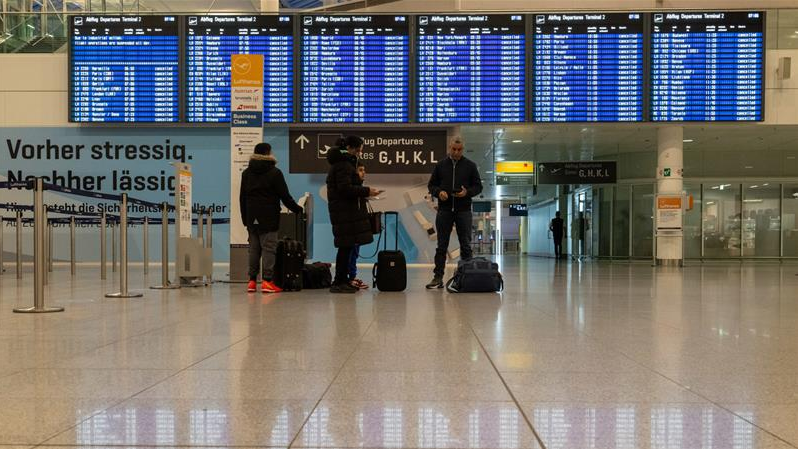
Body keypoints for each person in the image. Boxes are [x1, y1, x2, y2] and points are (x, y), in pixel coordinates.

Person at [239, 142, 303, 293]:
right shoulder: (275, 172)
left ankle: (252, 282)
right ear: (268, 153)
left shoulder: (246, 173)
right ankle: (267, 281)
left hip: (251, 217)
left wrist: (245, 218)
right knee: (269, 248)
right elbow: (284, 196)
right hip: (269, 216)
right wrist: (297, 209)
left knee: (254, 249)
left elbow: (242, 198)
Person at [425, 136, 483, 289]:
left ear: (463, 150)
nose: (456, 152)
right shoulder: (440, 165)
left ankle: (467, 276)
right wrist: (439, 192)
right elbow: (431, 185)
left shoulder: (470, 166)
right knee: (441, 246)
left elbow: (478, 187)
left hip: (463, 210)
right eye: (454, 149)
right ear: (449, 149)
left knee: (465, 245)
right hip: (444, 210)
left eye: (459, 150)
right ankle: (438, 277)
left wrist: (467, 193)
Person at [326, 135, 381, 293]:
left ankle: (343, 280)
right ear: (350, 148)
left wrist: (364, 192)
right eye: (358, 151)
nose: (359, 154)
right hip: (345, 213)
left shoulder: (340, 164)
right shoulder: (343, 165)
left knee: (347, 247)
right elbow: (345, 189)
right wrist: (366, 190)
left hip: (344, 213)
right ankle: (339, 282)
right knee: (345, 248)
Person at [348, 162, 369, 290]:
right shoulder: (352, 188)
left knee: (355, 252)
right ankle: (350, 277)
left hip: (358, 224)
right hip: (352, 225)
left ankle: (352, 276)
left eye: (364, 170)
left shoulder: (359, 188)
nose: (363, 173)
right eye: (360, 170)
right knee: (351, 251)